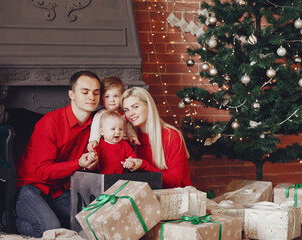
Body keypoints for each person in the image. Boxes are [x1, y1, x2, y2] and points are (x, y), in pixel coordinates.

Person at [14, 71, 101, 237]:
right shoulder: (50, 122)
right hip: (29, 187)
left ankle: (48, 216)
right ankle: (10, 220)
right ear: (72, 94)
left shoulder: (95, 127)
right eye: (85, 92)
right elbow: (43, 172)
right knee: (52, 228)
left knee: (90, 221)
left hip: (57, 191)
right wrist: (79, 163)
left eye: (96, 92)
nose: (92, 97)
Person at [122, 87, 192, 188]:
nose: (131, 113)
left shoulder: (171, 136)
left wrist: (143, 165)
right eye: (126, 110)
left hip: (175, 197)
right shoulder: (132, 138)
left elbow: (175, 182)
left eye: (135, 107)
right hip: (146, 196)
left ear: (148, 106)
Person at [87, 76, 139, 152]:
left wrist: (132, 136)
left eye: (116, 96)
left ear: (122, 97)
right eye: (107, 96)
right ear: (102, 98)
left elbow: (128, 127)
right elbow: (95, 129)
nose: (112, 100)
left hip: (124, 145)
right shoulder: (100, 114)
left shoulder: (122, 114)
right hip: (108, 146)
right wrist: (93, 141)